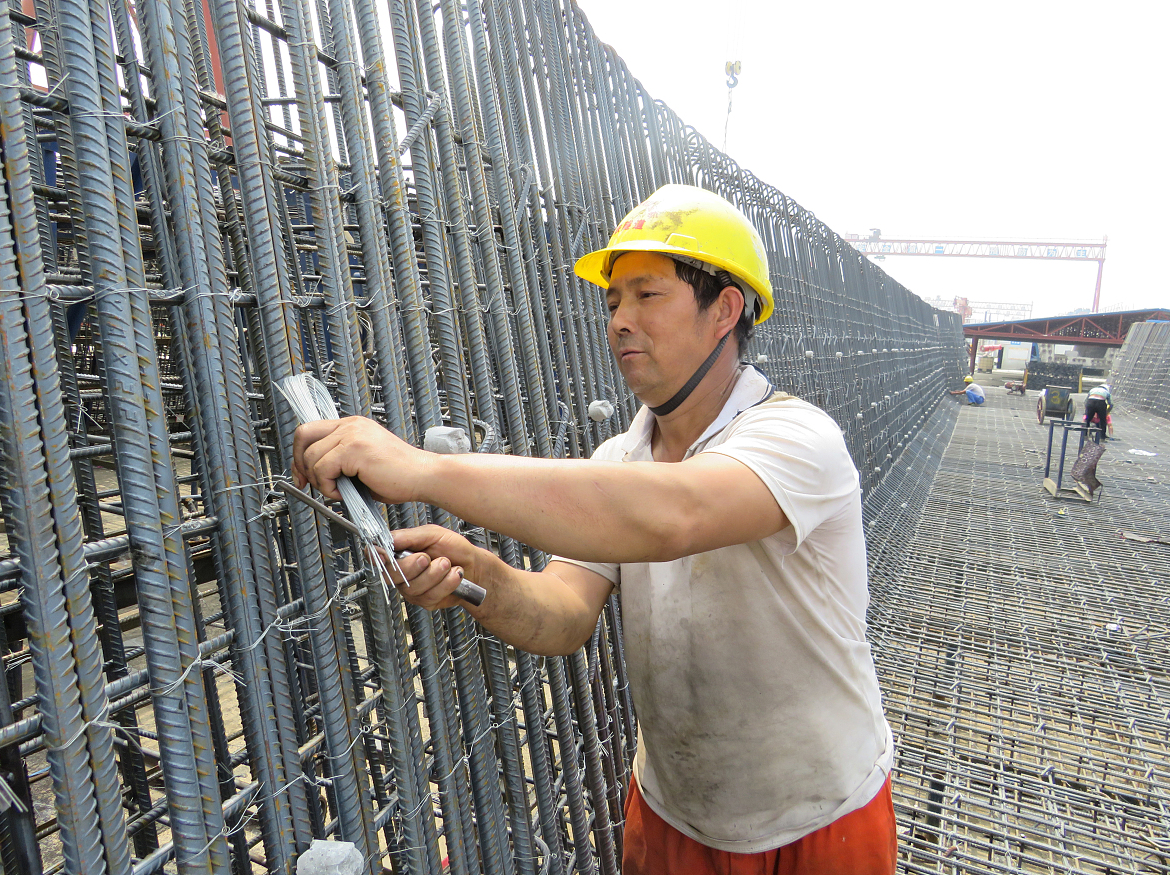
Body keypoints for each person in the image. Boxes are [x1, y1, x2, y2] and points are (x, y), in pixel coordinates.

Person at [293, 184, 897, 874]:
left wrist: (424, 469)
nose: (618, 320)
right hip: (674, 812)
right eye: (612, 301)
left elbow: (674, 514)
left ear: (725, 309)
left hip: (818, 820)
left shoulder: (796, 438)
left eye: (647, 295)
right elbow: (564, 613)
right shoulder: (621, 459)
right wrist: (474, 577)